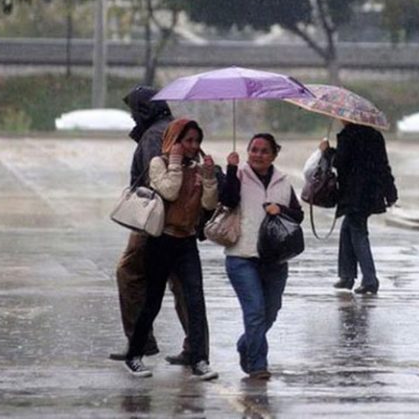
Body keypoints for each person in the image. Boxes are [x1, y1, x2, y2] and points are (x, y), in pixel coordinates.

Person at [124, 118, 218, 380]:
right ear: (174, 140)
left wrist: (209, 178)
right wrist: (175, 163)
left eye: (197, 141)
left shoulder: (199, 170)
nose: (193, 146)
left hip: (186, 242)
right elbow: (169, 193)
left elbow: (209, 205)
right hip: (161, 240)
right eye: (187, 140)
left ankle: (199, 359)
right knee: (152, 300)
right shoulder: (159, 163)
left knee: (195, 301)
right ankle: (134, 355)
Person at [112, 85, 199, 365]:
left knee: (129, 273)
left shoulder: (153, 135)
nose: (132, 117)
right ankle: (195, 346)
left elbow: (155, 182)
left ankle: (141, 342)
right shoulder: (175, 128)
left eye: (134, 110)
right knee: (182, 286)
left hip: (155, 222)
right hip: (181, 222)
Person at [219, 133, 304, 380]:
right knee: (255, 311)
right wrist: (232, 167)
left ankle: (246, 344)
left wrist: (282, 209)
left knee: (271, 310)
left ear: (274, 155)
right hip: (241, 256)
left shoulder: (283, 182)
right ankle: (258, 365)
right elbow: (227, 201)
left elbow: (297, 216)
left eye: (264, 151)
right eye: (254, 150)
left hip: (275, 259)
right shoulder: (237, 175)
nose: (258, 155)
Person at [320, 122, 398, 295]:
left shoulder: (348, 136)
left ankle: (370, 279)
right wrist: (390, 192)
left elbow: (340, 162)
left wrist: (327, 150)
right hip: (371, 192)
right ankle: (347, 276)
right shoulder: (375, 135)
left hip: (354, 194)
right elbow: (384, 166)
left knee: (358, 232)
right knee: (348, 227)